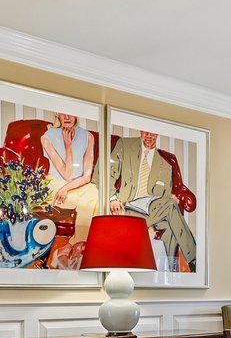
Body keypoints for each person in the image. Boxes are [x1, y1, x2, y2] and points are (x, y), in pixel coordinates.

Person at [108, 130, 196, 271]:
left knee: (169, 225)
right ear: (141, 131)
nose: (149, 135)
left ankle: (170, 272)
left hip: (151, 209)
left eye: (153, 132)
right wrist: (112, 199)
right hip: (126, 209)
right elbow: (106, 172)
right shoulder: (125, 145)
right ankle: (193, 259)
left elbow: (166, 191)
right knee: (170, 208)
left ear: (158, 134)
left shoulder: (166, 162)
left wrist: (169, 198)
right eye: (145, 131)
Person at [39, 113, 99, 243]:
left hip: (77, 184)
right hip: (56, 183)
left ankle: (79, 244)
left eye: (71, 113)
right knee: (84, 201)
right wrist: (68, 145)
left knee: (94, 193)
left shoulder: (88, 136)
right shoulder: (47, 137)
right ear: (57, 115)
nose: (67, 117)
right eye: (63, 113)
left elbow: (87, 176)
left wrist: (66, 188)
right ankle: (79, 245)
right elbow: (67, 175)